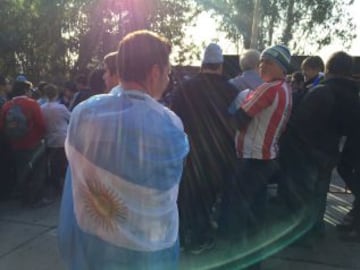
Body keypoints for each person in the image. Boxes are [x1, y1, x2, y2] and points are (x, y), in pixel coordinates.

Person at [58, 30, 189, 270]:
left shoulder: (83, 114)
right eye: (168, 73)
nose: (168, 80)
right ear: (155, 72)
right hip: (148, 251)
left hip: (93, 242)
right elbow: (167, 190)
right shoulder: (169, 124)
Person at [223, 45, 292, 269]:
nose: (263, 66)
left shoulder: (267, 89)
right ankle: (254, 263)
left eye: (269, 63)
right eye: (261, 61)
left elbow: (239, 118)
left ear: (281, 67)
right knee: (256, 217)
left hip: (251, 160)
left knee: (237, 216)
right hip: (267, 159)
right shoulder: (285, 89)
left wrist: (239, 107)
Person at [280, 51, 360, 242]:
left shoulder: (320, 91)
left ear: (328, 68)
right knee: (319, 194)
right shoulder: (353, 96)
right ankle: (316, 228)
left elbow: (298, 123)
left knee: (303, 196)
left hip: (307, 153)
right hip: (331, 153)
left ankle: (304, 235)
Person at [171, 43, 239, 254]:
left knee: (184, 196)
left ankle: (180, 239)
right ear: (220, 65)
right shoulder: (231, 90)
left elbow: (174, 118)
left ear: (202, 64)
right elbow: (236, 123)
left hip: (188, 151)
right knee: (207, 197)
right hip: (217, 154)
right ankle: (199, 240)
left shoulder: (184, 88)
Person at [0, 78, 47, 206]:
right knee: (38, 171)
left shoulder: (6, 105)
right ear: (26, 90)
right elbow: (41, 124)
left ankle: (25, 198)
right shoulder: (32, 103)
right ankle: (36, 199)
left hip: (16, 144)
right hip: (34, 143)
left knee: (22, 171)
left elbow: (2, 126)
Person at [41, 84, 70, 197]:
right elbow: (71, 117)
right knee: (65, 163)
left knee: (54, 165)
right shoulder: (61, 108)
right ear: (56, 93)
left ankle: (56, 186)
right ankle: (64, 186)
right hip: (62, 138)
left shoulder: (41, 108)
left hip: (50, 140)